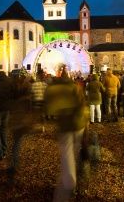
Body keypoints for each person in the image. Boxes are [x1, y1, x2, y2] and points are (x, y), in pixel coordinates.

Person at [44, 65, 89, 202]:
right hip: (78, 124)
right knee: (73, 152)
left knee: (67, 155)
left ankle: (68, 184)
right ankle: (71, 181)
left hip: (65, 126)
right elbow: (82, 105)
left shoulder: (52, 89)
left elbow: (48, 108)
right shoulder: (75, 87)